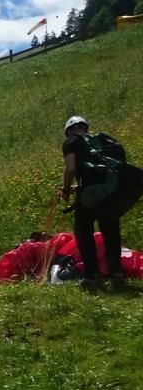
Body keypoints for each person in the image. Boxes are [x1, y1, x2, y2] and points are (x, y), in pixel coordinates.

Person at [62, 116, 128, 289]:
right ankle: (117, 273)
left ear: (69, 131)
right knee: (111, 232)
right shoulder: (103, 141)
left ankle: (92, 275)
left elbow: (70, 168)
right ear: (85, 128)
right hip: (111, 192)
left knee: (84, 231)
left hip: (88, 195)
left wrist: (66, 190)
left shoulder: (71, 142)